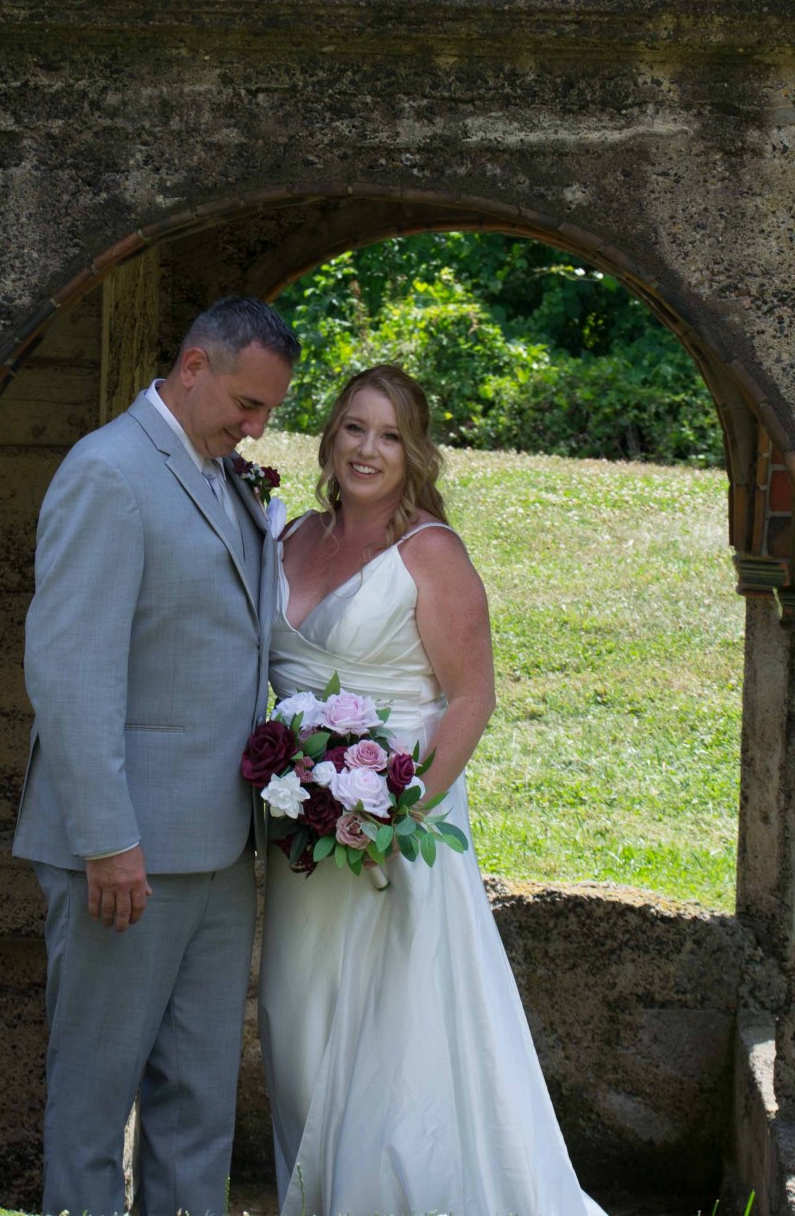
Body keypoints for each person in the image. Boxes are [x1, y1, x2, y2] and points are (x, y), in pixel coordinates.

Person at [259, 363, 607, 1216]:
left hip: (396, 838)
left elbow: (470, 698)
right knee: (300, 1029)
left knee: (398, 1043)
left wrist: (393, 812)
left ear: (414, 452)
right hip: (302, 836)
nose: (367, 450)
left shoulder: (431, 553)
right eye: (354, 428)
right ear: (330, 436)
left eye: (389, 435)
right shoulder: (290, 536)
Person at [13, 295, 298, 1216]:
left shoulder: (225, 474)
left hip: (220, 847)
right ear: (193, 367)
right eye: (247, 404)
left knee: (200, 1104)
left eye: (268, 411)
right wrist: (107, 839)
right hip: (125, 851)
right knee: (94, 1101)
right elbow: (71, 670)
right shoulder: (108, 471)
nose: (255, 429)